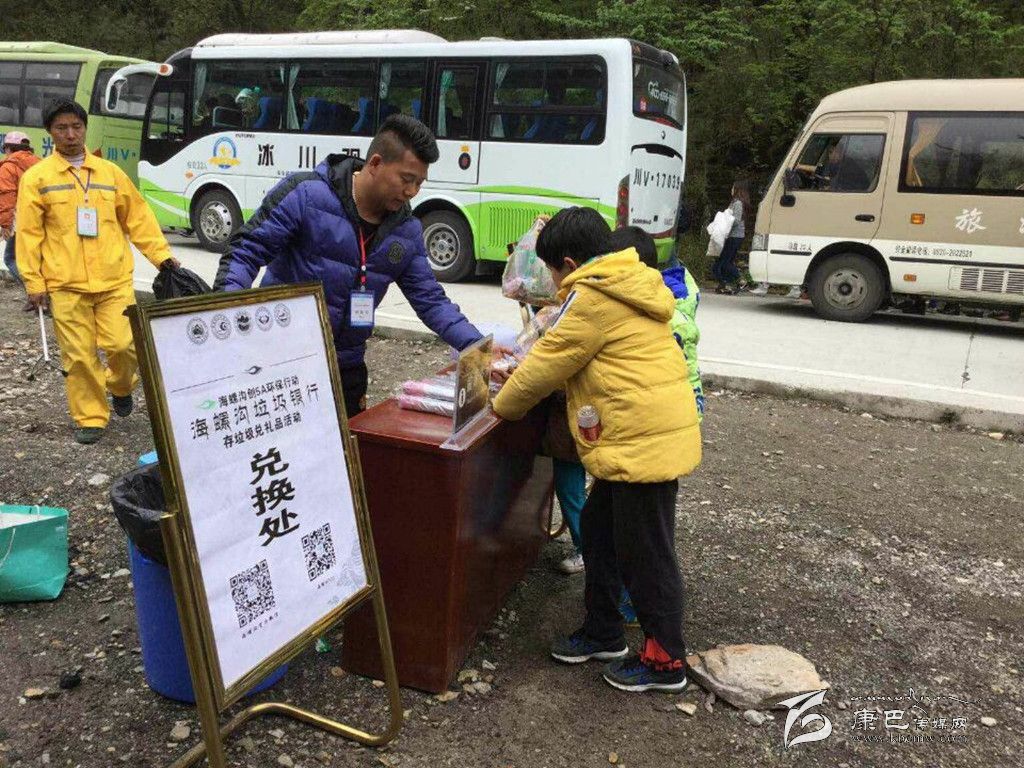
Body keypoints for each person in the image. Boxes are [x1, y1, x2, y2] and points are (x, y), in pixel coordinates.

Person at [492, 207, 702, 693]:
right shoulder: (624, 281)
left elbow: (547, 363)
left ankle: (665, 662)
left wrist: (500, 404)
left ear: (568, 263)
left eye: (551, 270)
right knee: (602, 535)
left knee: (647, 554)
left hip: (643, 444)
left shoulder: (593, 297)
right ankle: (603, 631)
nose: (552, 280)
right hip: (639, 436)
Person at [215, 114, 484, 416]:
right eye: (406, 179)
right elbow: (246, 251)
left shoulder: (405, 231)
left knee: (350, 445)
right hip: (282, 363)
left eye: (419, 183)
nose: (412, 192)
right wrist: (225, 315)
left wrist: (478, 347)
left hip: (347, 369)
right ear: (376, 163)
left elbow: (431, 301)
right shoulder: (306, 196)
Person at [16, 99, 179, 444]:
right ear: (49, 132)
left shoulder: (110, 174)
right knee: (78, 355)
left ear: (85, 129)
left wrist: (161, 256)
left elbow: (138, 218)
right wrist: (34, 281)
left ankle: (120, 385)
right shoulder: (37, 178)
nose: (70, 134)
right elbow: (29, 235)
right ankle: (90, 416)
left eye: (76, 127)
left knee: (125, 345)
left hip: (113, 279)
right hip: (65, 283)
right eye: (62, 128)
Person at [0, 131, 40, 310]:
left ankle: (37, 294)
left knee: (10, 258)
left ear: (9, 148)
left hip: (21, 219)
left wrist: (6, 224)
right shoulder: (40, 163)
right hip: (39, 218)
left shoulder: (8, 167)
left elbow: (7, 196)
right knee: (35, 260)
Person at [711, 180, 749, 294]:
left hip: (734, 236)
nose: (731, 190)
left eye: (733, 188)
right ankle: (726, 283)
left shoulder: (738, 203)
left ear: (737, 190)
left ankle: (740, 280)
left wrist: (724, 221)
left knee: (724, 262)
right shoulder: (735, 202)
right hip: (733, 236)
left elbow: (735, 220)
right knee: (725, 261)